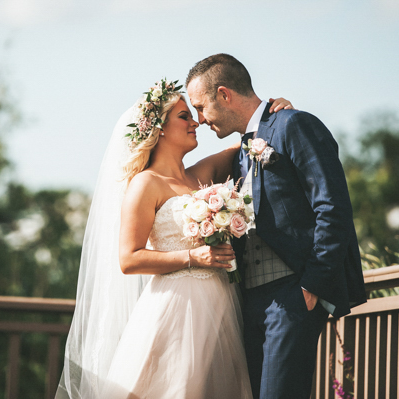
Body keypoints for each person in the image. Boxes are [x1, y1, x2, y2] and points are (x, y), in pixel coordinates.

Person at [56, 78, 293, 398]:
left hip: (220, 306)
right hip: (175, 307)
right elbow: (129, 259)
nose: (196, 122)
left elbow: (251, 139)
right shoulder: (145, 184)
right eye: (184, 116)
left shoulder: (201, 174)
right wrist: (193, 257)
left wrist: (275, 112)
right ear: (160, 128)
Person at [186, 53, 367, 399]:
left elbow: (333, 208)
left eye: (200, 107)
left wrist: (312, 285)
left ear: (224, 94)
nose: (200, 119)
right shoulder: (240, 149)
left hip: (292, 293)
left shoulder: (293, 125)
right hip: (247, 302)